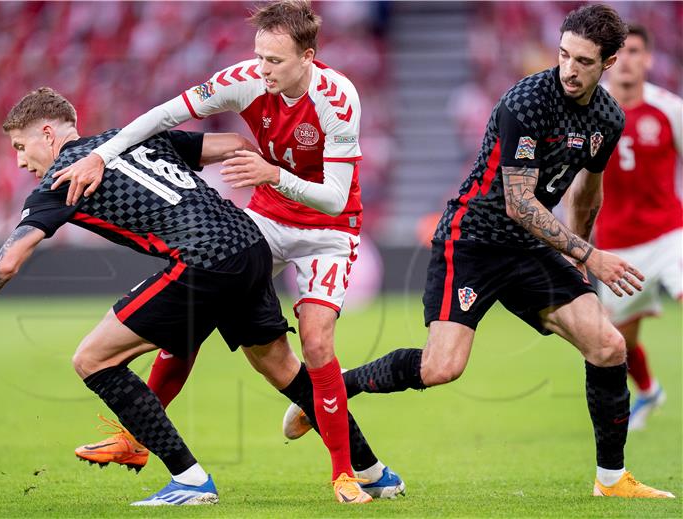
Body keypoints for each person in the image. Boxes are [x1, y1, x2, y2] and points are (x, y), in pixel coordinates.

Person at [0, 87, 373, 505]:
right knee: (280, 366)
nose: (19, 161)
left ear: (49, 136)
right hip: (249, 242)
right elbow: (232, 145)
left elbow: (7, 263)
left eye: (20, 146)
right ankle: (372, 471)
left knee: (92, 358)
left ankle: (189, 479)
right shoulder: (132, 139)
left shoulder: (63, 177)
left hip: (204, 259)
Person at [282, 4, 675, 498]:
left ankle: (612, 481)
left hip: (532, 247)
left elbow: (589, 187)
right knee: (441, 368)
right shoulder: (529, 100)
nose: (570, 70)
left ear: (609, 63)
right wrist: (591, 256)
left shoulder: (606, 117)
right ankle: (336, 389)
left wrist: (579, 249)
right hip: (472, 241)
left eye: (584, 62)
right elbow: (518, 202)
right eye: (564, 56)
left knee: (608, 345)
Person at [51, 0, 403, 499]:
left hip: (328, 231)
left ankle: (345, 473)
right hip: (265, 219)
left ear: (308, 56)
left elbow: (333, 196)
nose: (263, 70)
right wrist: (100, 156)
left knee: (316, 344)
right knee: (201, 297)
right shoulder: (244, 78)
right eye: (259, 57)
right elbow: (163, 115)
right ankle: (135, 437)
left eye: (275, 61)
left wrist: (272, 174)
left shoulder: (338, 99)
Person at [598, 24, 682, 431]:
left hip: (670, 233)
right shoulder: (593, 113)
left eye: (635, 51)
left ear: (648, 59)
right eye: (620, 52)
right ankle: (648, 390)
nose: (627, 60)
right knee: (617, 343)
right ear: (609, 61)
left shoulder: (670, 109)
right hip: (617, 246)